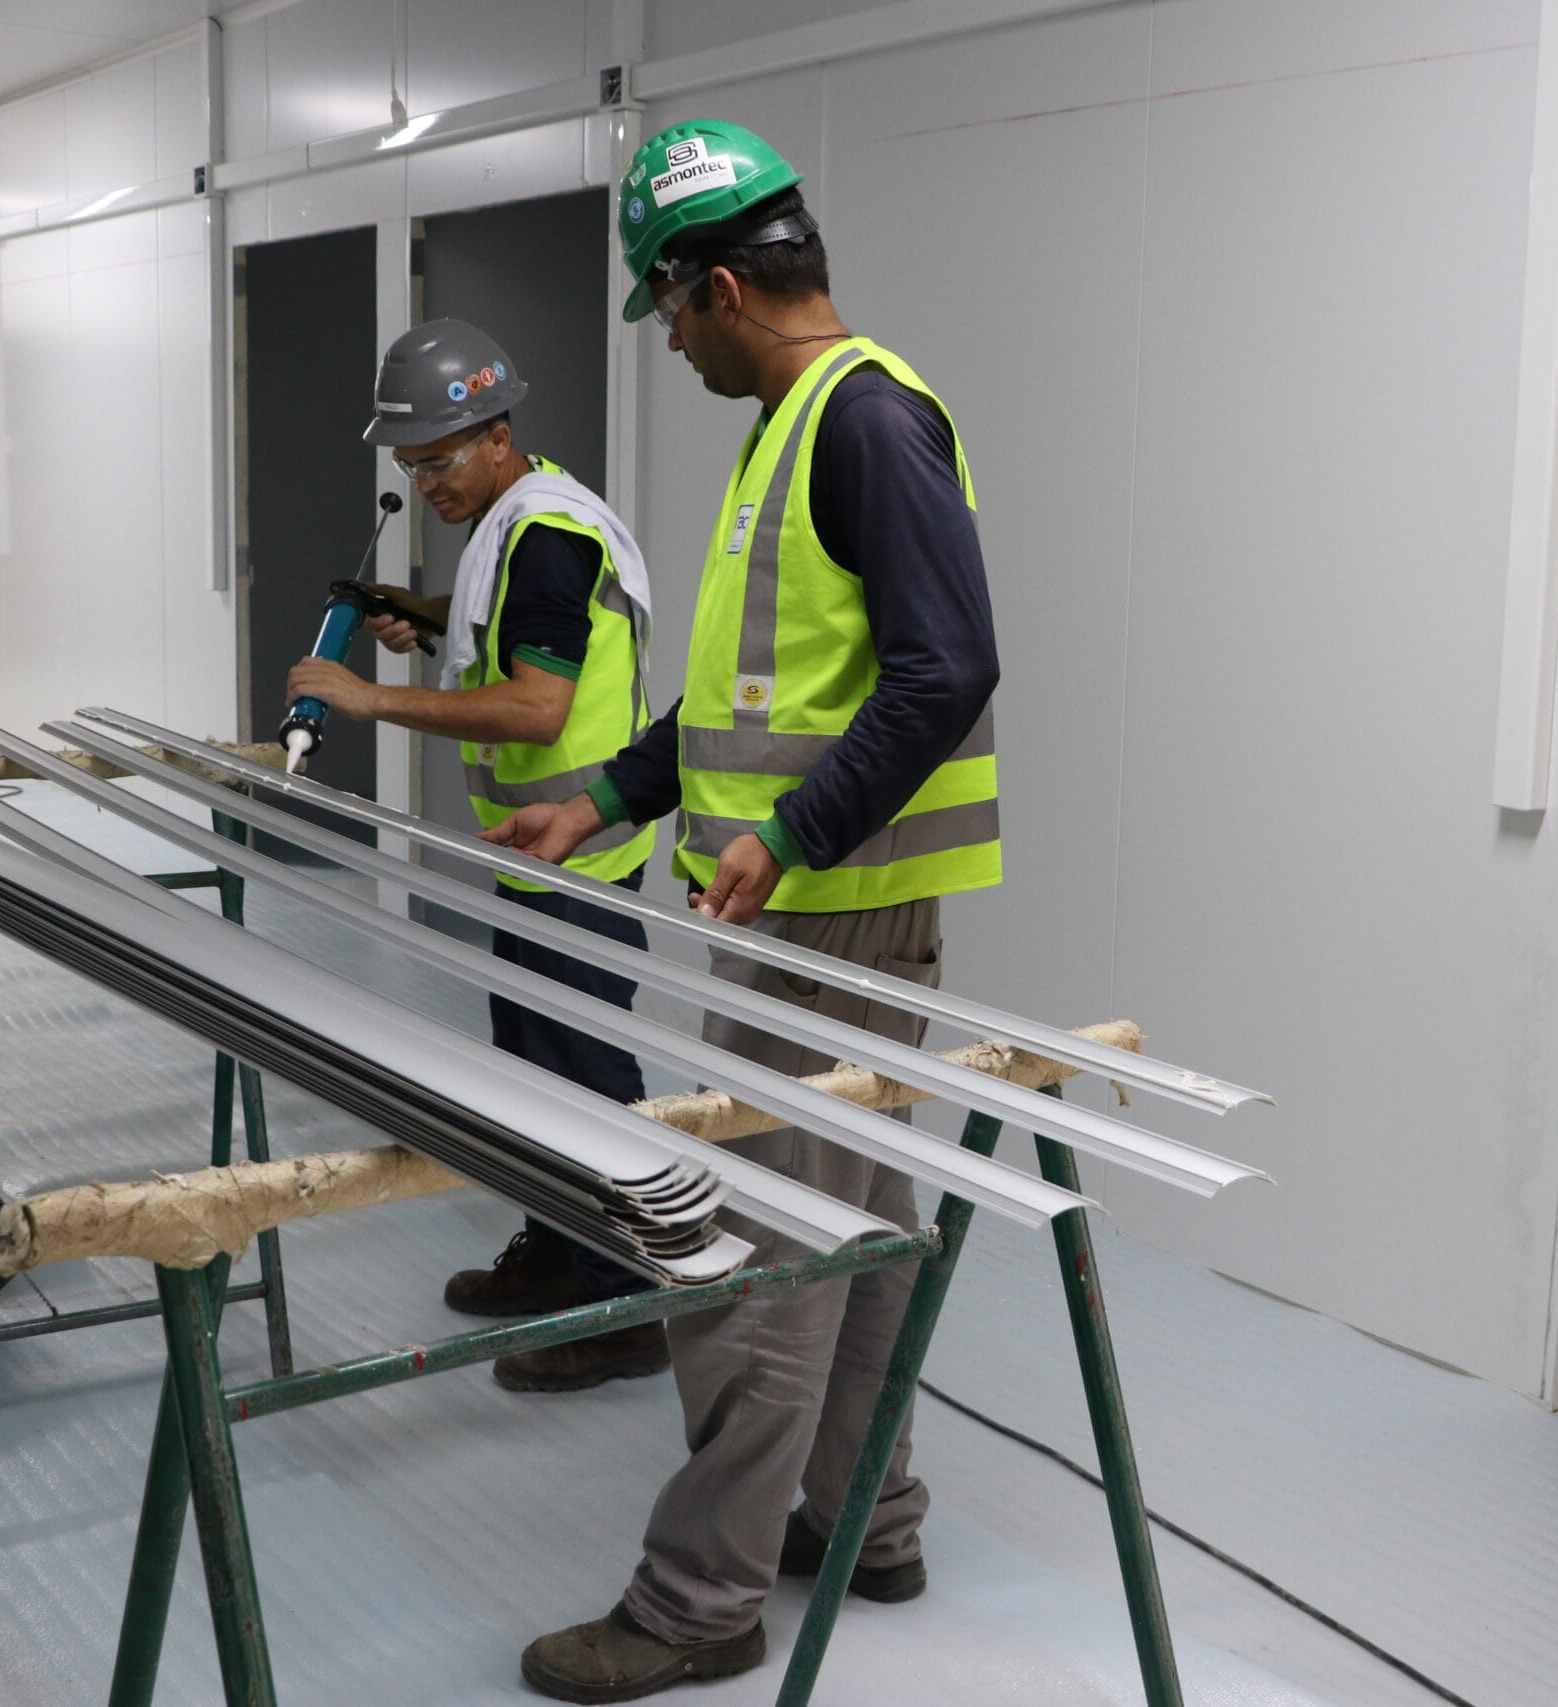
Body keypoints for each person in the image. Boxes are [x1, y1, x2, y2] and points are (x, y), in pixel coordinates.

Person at [497, 122, 1001, 1700]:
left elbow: (948, 666)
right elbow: (738, 702)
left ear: (722, 286)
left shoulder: (865, 424)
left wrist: (792, 834)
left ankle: (698, 1599)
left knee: (752, 1255)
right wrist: (607, 796)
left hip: (829, 917)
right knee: (862, 1229)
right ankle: (867, 1515)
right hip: (823, 909)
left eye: (668, 308)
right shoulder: (791, 431)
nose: (669, 342)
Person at [286, 318, 671, 1391]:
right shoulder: (519, 514)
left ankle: (634, 1303)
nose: (426, 486)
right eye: (411, 467)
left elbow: (539, 707)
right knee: (531, 1069)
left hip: (579, 859)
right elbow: (506, 628)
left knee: (589, 1082)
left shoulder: (547, 533)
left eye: (438, 461)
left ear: (497, 434)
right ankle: (558, 1252)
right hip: (532, 856)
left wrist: (372, 698)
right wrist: (417, 615)